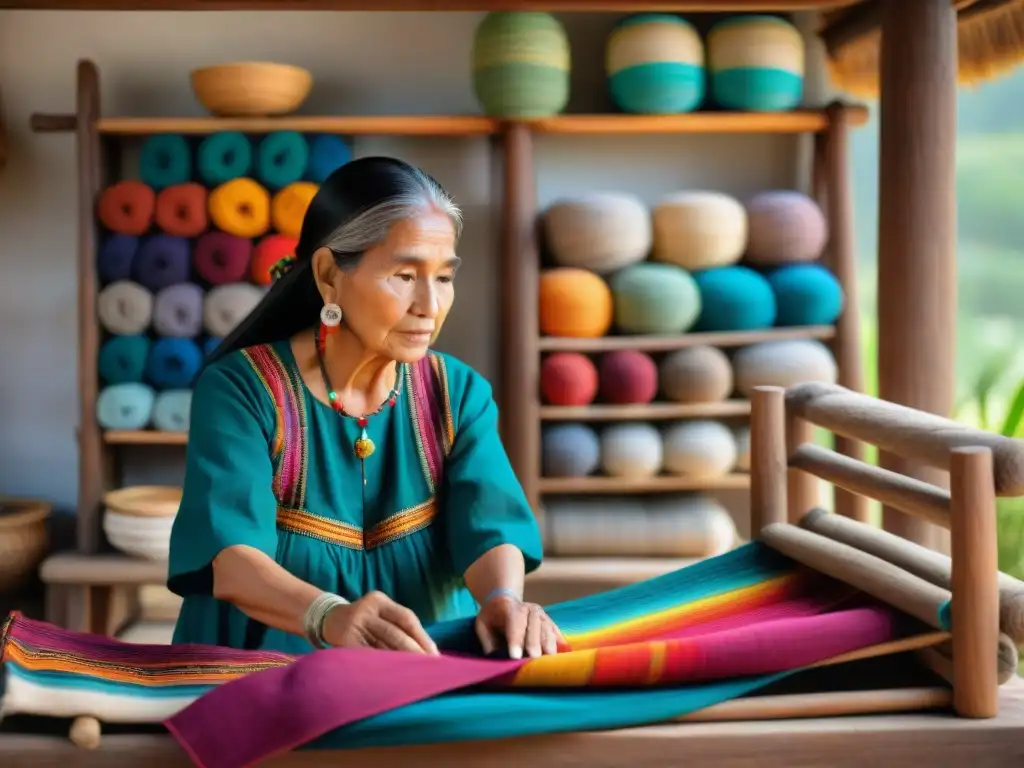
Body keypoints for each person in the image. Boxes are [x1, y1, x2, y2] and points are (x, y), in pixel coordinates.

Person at [167, 157, 561, 661]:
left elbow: (488, 523)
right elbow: (232, 557)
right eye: (404, 275)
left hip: (422, 670)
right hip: (264, 668)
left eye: (443, 278)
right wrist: (328, 616)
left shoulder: (457, 393)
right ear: (330, 275)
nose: (430, 305)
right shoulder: (243, 390)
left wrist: (505, 598)